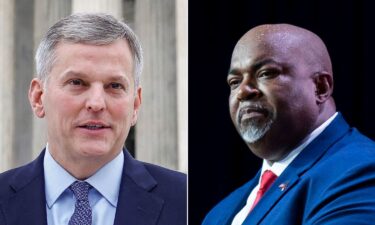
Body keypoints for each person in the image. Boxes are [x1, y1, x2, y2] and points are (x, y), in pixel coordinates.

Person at [0, 13, 186, 225]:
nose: (97, 103)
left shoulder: (185, 201)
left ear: (135, 104)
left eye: (115, 86)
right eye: (77, 82)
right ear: (38, 97)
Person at [203, 24, 375, 225]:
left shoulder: (360, 172)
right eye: (234, 82)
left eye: (265, 73)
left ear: (321, 87)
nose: (243, 91)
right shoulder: (219, 214)